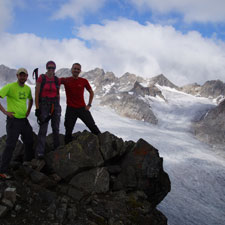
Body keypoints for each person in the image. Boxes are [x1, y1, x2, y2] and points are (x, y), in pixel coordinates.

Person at [0, 68, 34, 179]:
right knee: (10, 145)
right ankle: (2, 170)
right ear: (17, 76)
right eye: (21, 75)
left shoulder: (28, 89)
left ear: (27, 76)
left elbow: (31, 99)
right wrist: (5, 111)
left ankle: (27, 162)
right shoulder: (10, 87)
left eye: (24, 75)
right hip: (13, 121)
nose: (22, 77)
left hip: (23, 120)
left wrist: (28, 111)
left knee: (29, 140)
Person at [60, 63, 101, 144]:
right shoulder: (65, 80)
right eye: (75, 68)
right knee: (68, 130)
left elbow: (91, 92)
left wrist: (89, 105)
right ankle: (67, 150)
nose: (76, 70)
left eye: (78, 69)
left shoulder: (83, 81)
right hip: (70, 109)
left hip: (82, 108)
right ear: (71, 70)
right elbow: (53, 81)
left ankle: (103, 144)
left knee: (92, 126)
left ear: (80, 71)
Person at [35, 61, 61, 159]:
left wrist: (57, 105)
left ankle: (57, 149)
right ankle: (39, 152)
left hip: (55, 105)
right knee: (43, 129)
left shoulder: (56, 80)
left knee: (56, 128)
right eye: (49, 68)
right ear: (46, 68)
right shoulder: (41, 78)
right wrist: (37, 108)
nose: (51, 70)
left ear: (55, 69)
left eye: (53, 68)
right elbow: (37, 94)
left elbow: (58, 93)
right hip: (44, 105)